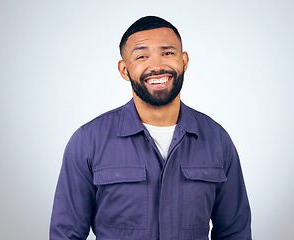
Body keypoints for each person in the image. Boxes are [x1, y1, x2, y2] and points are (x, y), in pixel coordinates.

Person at [50, 16, 252, 240]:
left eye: (167, 53)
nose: (156, 66)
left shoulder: (217, 139)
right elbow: (65, 234)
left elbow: (235, 232)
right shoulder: (89, 141)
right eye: (141, 56)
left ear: (184, 61)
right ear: (124, 70)